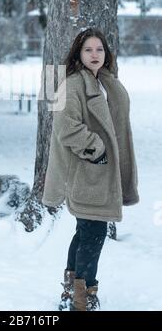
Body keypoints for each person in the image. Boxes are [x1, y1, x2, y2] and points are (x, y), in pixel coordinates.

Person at [42, 28, 139, 311]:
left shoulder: (105, 82)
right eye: (88, 50)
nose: (95, 55)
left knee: (85, 231)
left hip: (102, 174)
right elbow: (66, 127)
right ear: (78, 54)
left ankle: (72, 291)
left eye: (99, 49)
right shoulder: (73, 85)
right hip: (88, 173)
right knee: (94, 233)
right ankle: (83, 297)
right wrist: (96, 150)